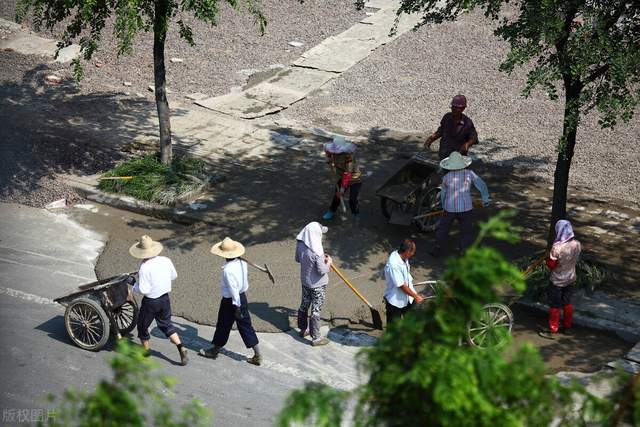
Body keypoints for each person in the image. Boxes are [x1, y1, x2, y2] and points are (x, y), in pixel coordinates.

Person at [199, 237, 262, 366]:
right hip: (242, 297)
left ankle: (214, 351)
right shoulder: (242, 262)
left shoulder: (228, 270)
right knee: (245, 326)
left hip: (232, 301)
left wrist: (236, 305)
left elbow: (233, 289)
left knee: (223, 324)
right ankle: (258, 355)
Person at [129, 235, 188, 366]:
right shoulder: (165, 260)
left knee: (142, 326)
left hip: (151, 302)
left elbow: (143, 289)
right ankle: (180, 347)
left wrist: (133, 284)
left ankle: (146, 352)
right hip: (165, 299)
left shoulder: (144, 267)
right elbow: (174, 276)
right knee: (166, 324)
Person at [432, 151, 489, 257]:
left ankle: (437, 248)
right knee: (466, 230)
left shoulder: (446, 177)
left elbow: (443, 194)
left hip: (449, 208)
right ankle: (464, 250)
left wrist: (444, 206)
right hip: (466, 208)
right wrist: (485, 199)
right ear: (462, 163)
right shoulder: (469, 174)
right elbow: (482, 185)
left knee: (443, 229)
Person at [539, 220, 582, 340]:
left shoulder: (557, 248)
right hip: (571, 278)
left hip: (557, 280)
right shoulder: (577, 244)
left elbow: (551, 265)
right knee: (567, 303)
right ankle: (567, 327)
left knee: (555, 305)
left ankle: (553, 329)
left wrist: (546, 260)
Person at [295, 222, 332, 346]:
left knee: (304, 304)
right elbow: (322, 270)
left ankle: (303, 329)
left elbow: (298, 259)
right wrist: (328, 262)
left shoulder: (300, 245)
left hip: (305, 281)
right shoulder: (317, 252)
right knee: (316, 309)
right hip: (318, 285)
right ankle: (316, 338)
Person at [424, 95, 478, 160]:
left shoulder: (467, 123)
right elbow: (440, 131)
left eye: (456, 107)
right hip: (443, 155)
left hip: (458, 158)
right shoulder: (447, 117)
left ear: (463, 108)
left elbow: (474, 138)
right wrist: (430, 139)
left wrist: (467, 144)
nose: (453, 109)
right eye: (453, 106)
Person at [383, 239, 425, 325]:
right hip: (395, 301)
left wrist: (413, 294)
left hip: (408, 298)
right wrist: (416, 296)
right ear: (407, 251)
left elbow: (406, 276)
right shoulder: (394, 264)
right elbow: (401, 285)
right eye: (412, 252)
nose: (413, 254)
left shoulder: (403, 257)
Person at [322, 136, 363, 221]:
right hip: (343, 176)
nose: (335, 152)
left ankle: (355, 213)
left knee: (352, 199)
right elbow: (328, 152)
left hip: (354, 178)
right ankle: (331, 211)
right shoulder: (333, 152)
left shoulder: (349, 157)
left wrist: (342, 189)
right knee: (337, 196)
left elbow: (347, 173)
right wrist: (328, 158)